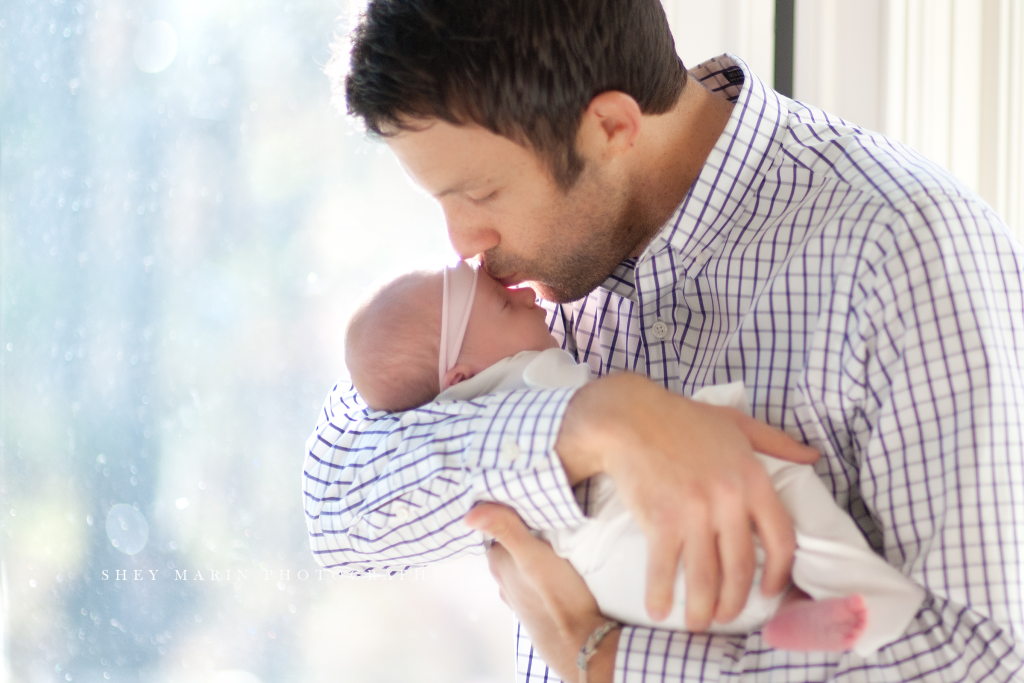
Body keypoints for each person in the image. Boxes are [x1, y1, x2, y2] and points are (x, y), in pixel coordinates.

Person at [305, 1, 1024, 681]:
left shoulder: (908, 250)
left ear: (611, 127)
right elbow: (339, 508)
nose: (462, 241)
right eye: (441, 198)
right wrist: (584, 426)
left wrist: (609, 661)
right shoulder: (515, 287)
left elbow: (988, 655)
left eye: (481, 194)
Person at [342, 260, 926, 656]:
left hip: (604, 580)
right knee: (775, 482)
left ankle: (777, 616)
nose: (518, 289)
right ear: (460, 374)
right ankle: (865, 602)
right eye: (500, 304)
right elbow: (338, 503)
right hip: (631, 532)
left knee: (709, 569)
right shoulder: (527, 374)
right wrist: (608, 420)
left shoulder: (458, 417)